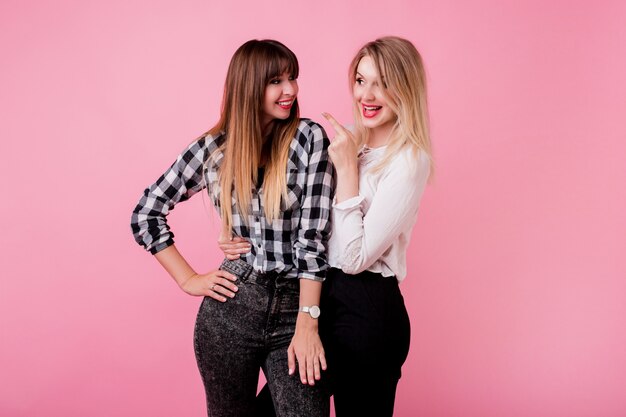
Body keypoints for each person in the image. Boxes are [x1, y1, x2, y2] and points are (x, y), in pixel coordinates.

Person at [220, 36, 432, 417]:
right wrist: (234, 232)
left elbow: (354, 258)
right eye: (361, 80)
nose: (368, 94)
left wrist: (348, 169)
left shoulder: (408, 161)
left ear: (406, 87)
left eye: (383, 83)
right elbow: (299, 213)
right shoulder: (346, 138)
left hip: (368, 309)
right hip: (316, 298)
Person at [131, 39, 333, 417]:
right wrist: (188, 278)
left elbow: (312, 240)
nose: (290, 90)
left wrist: (308, 321)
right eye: (276, 80)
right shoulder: (212, 150)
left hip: (296, 307)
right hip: (230, 310)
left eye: (293, 77)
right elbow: (146, 213)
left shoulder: (308, 138)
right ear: (249, 87)